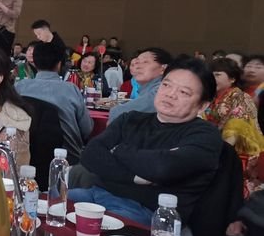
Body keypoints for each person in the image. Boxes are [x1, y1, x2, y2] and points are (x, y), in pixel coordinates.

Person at [68, 59, 223, 226]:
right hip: (95, 194)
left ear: (202, 105)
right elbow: (90, 154)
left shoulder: (205, 135)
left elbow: (163, 167)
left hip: (148, 212)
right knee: (52, 204)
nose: (170, 94)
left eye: (184, 92)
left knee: (89, 229)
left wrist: (118, 150)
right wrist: (134, 176)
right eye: (166, 85)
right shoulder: (131, 119)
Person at [16, 42, 92, 163]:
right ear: (59, 64)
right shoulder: (70, 89)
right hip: (66, 160)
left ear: (34, 62)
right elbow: (87, 130)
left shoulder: (19, 87)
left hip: (25, 158)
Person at [203, 58, 264, 197]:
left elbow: (235, 128)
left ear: (232, 79)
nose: (212, 78)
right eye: (210, 74)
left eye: (217, 74)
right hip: (217, 147)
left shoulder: (241, 97)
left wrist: (218, 152)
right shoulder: (212, 97)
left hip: (239, 152)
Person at [108, 47, 172, 123]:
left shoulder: (160, 91)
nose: (137, 67)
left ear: (163, 68)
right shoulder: (148, 89)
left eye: (145, 62)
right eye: (137, 62)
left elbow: (118, 113)